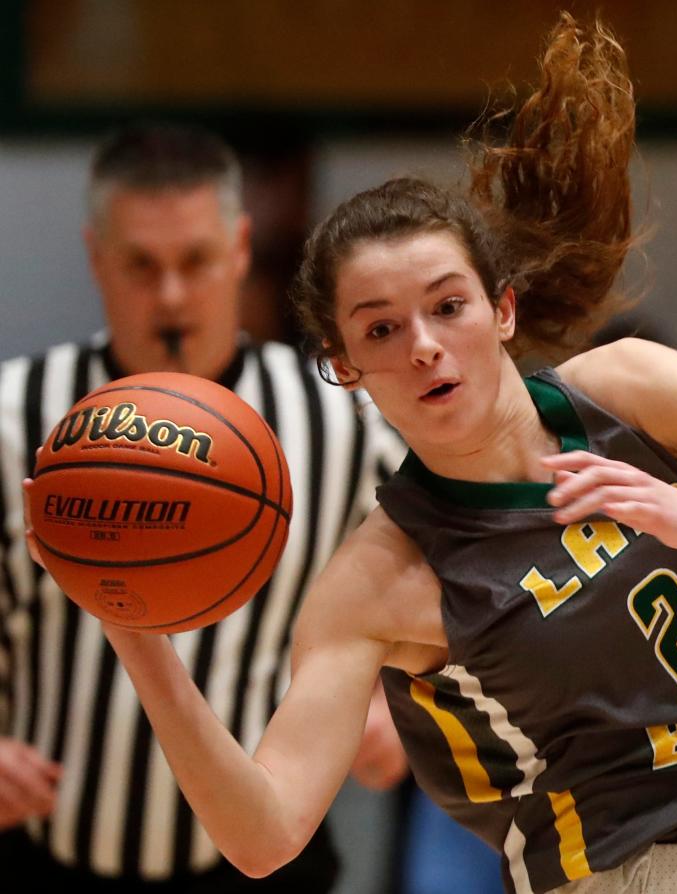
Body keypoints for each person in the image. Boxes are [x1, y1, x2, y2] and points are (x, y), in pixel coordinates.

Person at [26, 17, 677, 894]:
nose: (424, 347)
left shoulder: (632, 388)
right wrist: (140, 644)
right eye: (381, 328)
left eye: (448, 306)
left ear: (503, 310)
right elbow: (265, 837)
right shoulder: (378, 581)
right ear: (344, 365)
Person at [0, 123, 406, 891]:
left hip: (263, 860)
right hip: (42, 855)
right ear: (96, 258)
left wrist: (403, 692)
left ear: (241, 247)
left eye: (195, 261)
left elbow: (451, 568)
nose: (173, 295)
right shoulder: (15, 412)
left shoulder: (343, 414)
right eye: (142, 266)